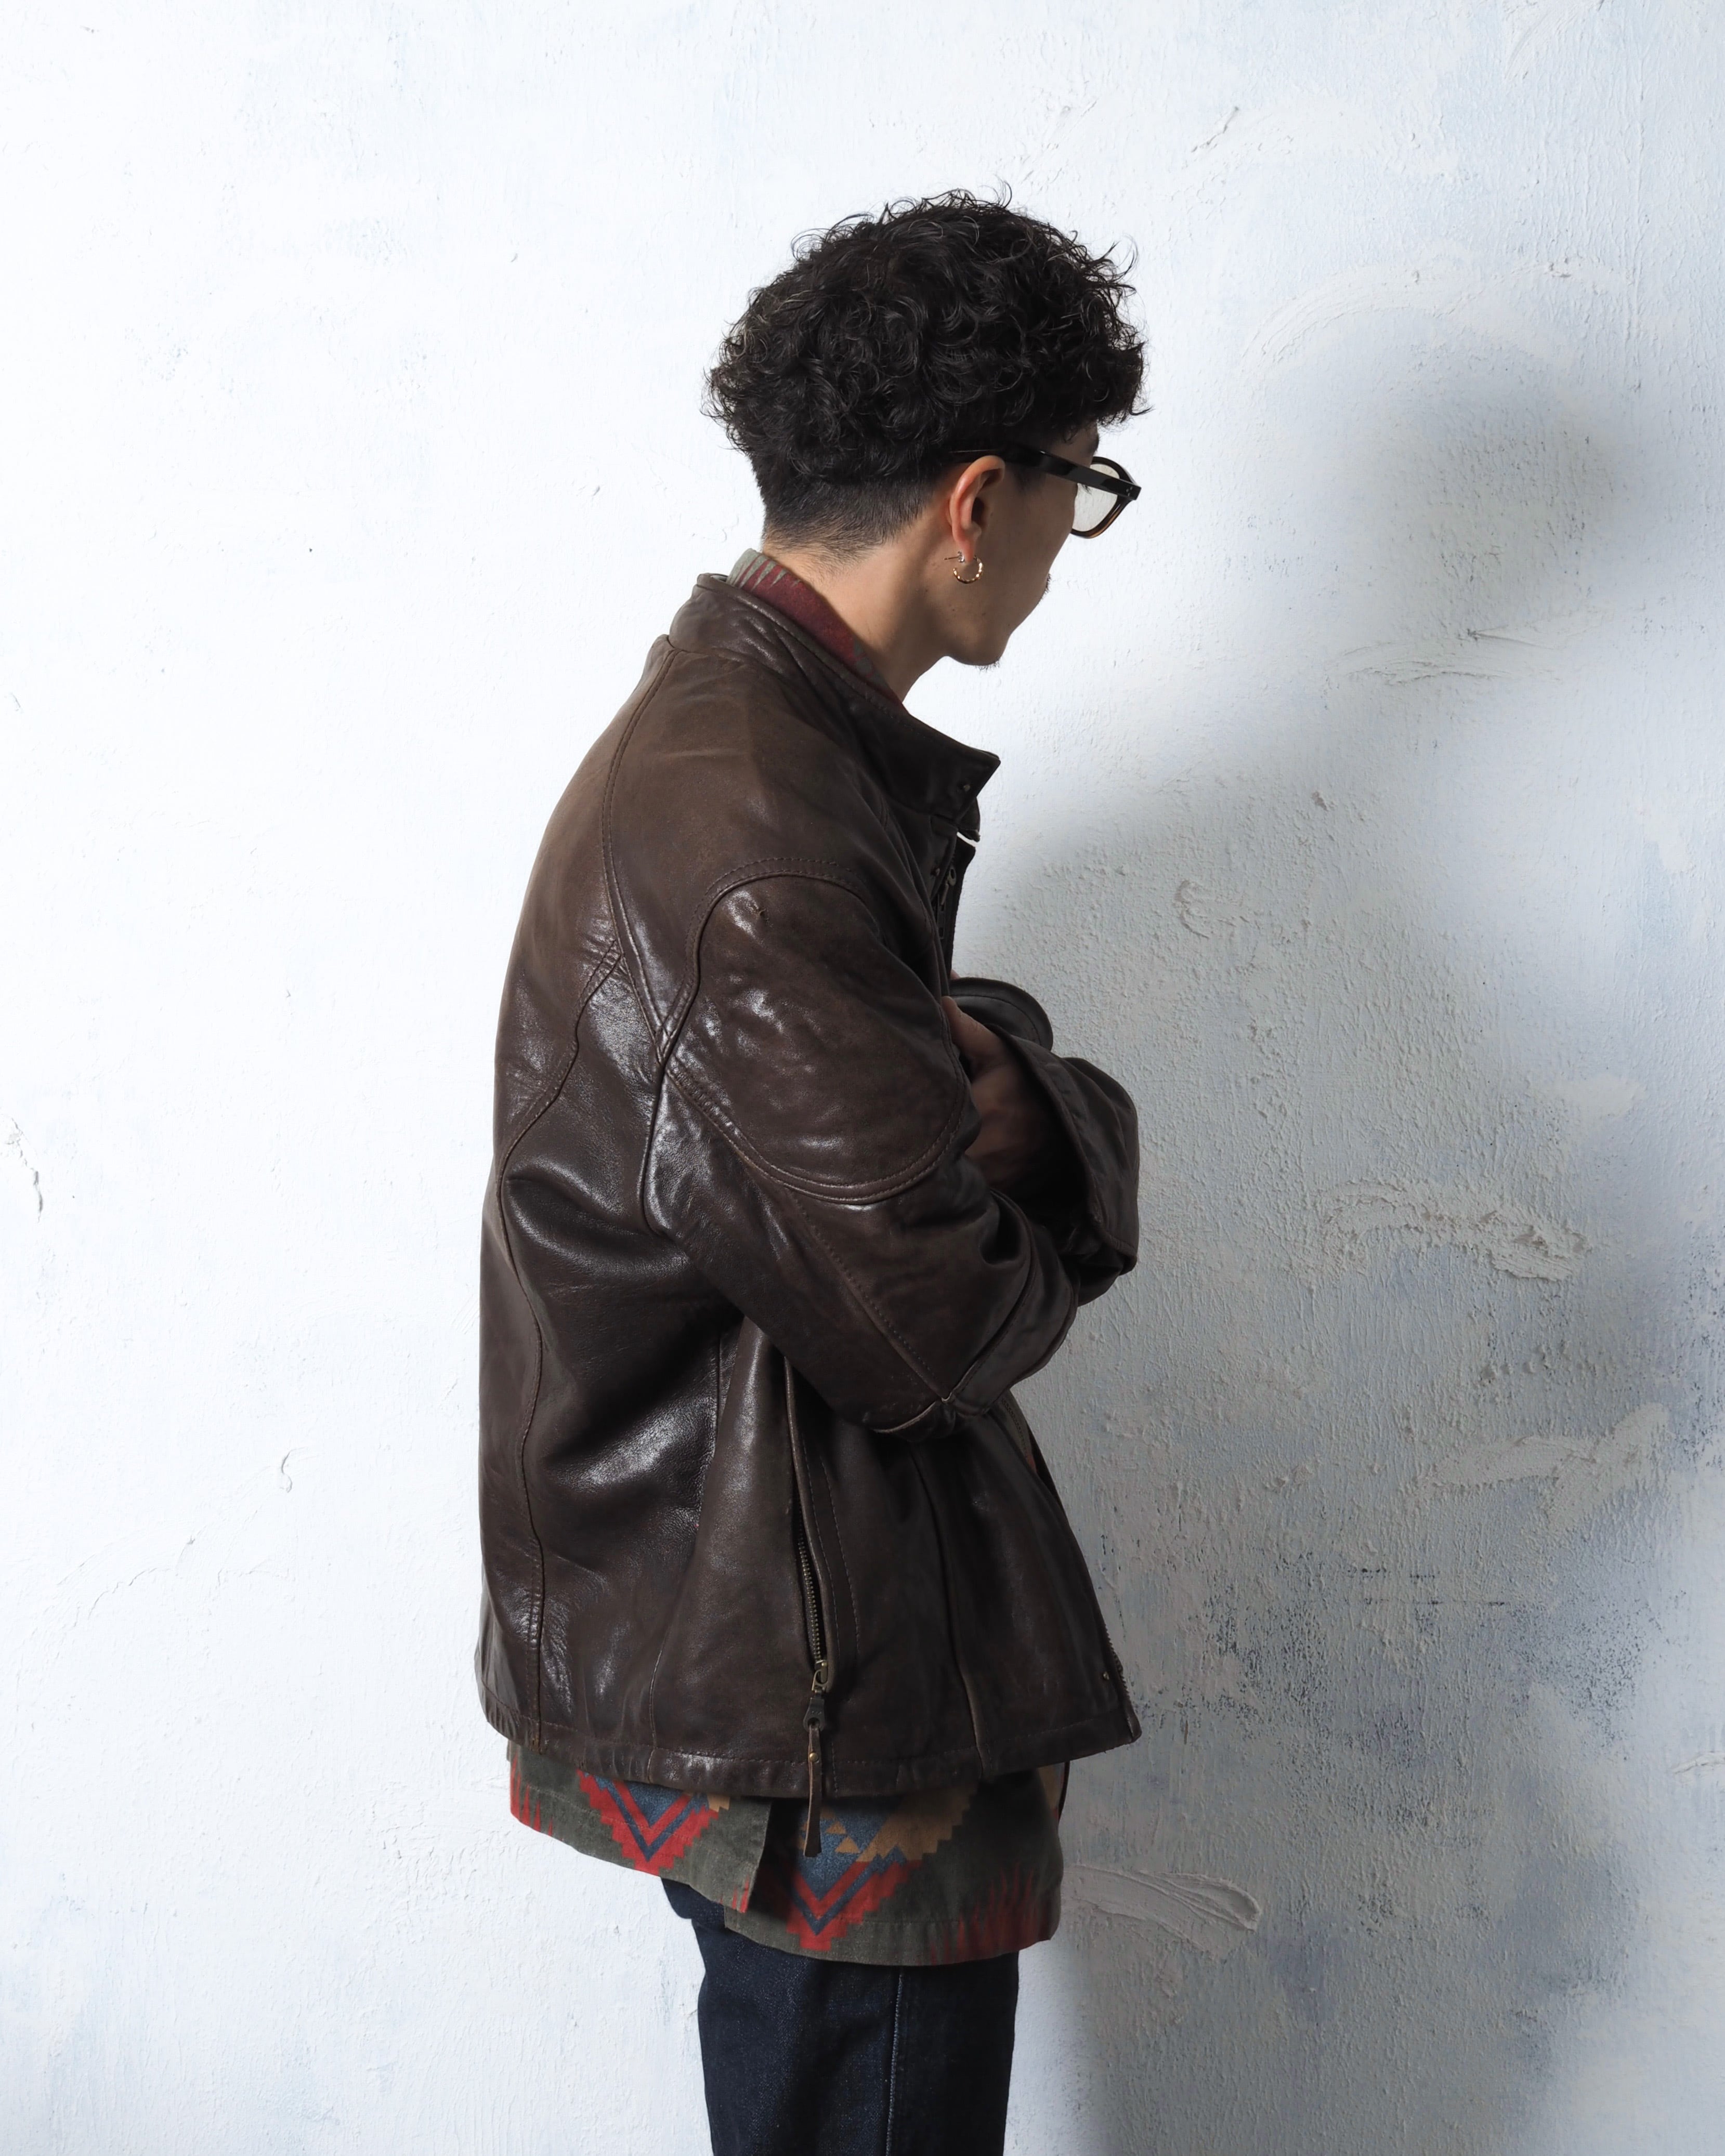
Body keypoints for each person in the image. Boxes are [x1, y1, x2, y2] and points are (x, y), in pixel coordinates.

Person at [477, 192, 1145, 2155]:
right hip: (823, 1709)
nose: (1069, 540)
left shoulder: (771, 751)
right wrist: (1069, 1142)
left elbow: (854, 1113)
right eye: (1081, 486)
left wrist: (1018, 1097)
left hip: (800, 1653)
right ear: (978, 501)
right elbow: (930, 1323)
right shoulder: (757, 817)